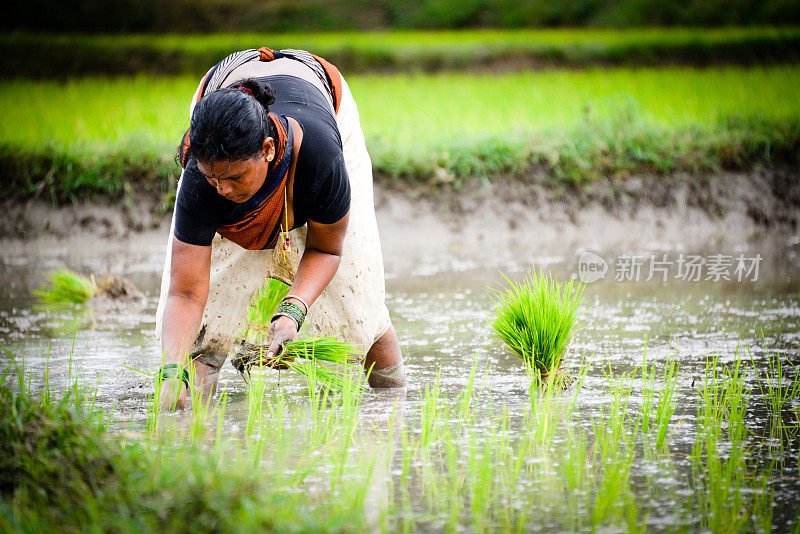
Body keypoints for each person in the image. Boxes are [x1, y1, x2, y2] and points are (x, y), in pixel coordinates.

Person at [155, 47, 406, 409]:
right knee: (204, 336)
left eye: (234, 177)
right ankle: (187, 419)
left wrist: (293, 310)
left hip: (325, 101)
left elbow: (327, 249)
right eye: (214, 180)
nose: (222, 189)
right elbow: (185, 293)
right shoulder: (203, 174)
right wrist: (170, 371)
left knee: (359, 307)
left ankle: (396, 404)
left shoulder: (323, 158)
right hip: (219, 97)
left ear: (269, 149)